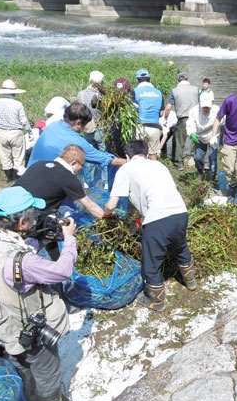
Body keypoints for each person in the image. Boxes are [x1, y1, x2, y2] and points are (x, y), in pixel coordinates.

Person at [0, 186, 82, 401]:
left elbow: (8, 270)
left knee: (23, 373)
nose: (35, 218)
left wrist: (33, 242)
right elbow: (61, 271)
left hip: (0, 325)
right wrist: (70, 238)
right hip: (30, 331)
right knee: (48, 377)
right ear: (22, 222)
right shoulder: (22, 261)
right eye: (32, 215)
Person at [104, 140, 196, 312]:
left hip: (157, 219)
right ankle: (191, 282)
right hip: (180, 213)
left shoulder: (126, 168)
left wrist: (105, 215)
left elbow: (112, 204)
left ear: (127, 156)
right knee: (180, 246)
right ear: (146, 154)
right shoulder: (159, 165)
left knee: (151, 262)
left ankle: (157, 302)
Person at [16, 144, 108, 260]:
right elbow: (90, 205)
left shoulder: (39, 164)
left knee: (49, 228)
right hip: (27, 219)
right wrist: (108, 219)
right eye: (82, 165)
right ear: (74, 163)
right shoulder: (68, 177)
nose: (81, 169)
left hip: (12, 209)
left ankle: (55, 258)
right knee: (61, 229)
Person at [28, 101, 124, 169]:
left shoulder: (53, 125)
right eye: (84, 125)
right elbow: (104, 159)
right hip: (45, 185)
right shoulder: (75, 142)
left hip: (29, 174)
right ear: (78, 123)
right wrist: (133, 162)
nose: (84, 129)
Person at [0, 79, 30, 182]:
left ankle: (9, 178)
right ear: (13, 92)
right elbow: (24, 121)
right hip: (16, 132)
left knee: (5, 156)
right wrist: (28, 131)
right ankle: (18, 179)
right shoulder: (18, 104)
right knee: (19, 157)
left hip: (1, 132)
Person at [167, 72, 200, 170]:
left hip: (183, 119)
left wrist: (164, 118)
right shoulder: (196, 89)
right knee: (196, 139)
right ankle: (195, 160)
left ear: (178, 80)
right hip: (195, 118)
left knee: (179, 141)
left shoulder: (174, 91)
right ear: (187, 79)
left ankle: (179, 164)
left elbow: (168, 107)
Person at [133, 68, 164, 160]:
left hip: (140, 127)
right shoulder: (159, 92)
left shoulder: (135, 91)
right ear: (149, 79)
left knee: (140, 155)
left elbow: (132, 110)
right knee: (153, 154)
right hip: (155, 127)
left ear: (138, 80)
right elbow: (162, 113)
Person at [186, 94, 219, 180]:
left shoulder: (216, 110)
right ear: (200, 104)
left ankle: (213, 177)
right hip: (200, 136)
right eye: (204, 107)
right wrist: (191, 133)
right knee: (198, 158)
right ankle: (201, 172)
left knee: (213, 158)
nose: (206, 109)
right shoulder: (194, 111)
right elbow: (190, 123)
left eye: (208, 107)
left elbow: (223, 121)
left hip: (213, 135)